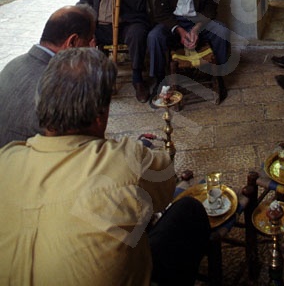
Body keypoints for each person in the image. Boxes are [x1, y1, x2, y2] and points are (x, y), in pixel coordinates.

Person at [0, 47, 210, 286]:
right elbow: (166, 183)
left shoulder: (7, 157)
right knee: (188, 212)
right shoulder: (125, 160)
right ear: (101, 115)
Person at [0, 4, 96, 147]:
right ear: (72, 42)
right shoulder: (62, 85)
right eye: (89, 41)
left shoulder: (13, 64)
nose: (92, 47)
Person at [147, 0, 229, 102]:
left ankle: (220, 77)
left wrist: (196, 29)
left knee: (222, 31)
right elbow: (160, 12)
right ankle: (158, 81)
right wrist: (179, 29)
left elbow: (211, 8)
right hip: (174, 21)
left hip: (197, 21)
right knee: (154, 37)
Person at [80, 0, 151, 103]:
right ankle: (95, 80)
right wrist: (87, 28)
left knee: (138, 33)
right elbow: (84, 2)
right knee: (78, 33)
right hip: (101, 26)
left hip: (126, 25)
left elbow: (140, 4)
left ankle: (137, 78)